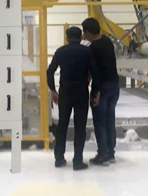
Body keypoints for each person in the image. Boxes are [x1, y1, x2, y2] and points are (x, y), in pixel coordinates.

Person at [47, 26, 96, 171]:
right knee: (80, 127)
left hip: (65, 92)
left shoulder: (61, 51)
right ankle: (77, 161)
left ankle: (59, 158)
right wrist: (95, 90)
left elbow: (50, 71)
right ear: (81, 37)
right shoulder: (87, 52)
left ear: (67, 38)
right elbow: (94, 72)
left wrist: (53, 90)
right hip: (81, 92)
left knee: (62, 125)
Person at [82, 17, 120, 166]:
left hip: (101, 88)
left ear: (88, 32)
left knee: (100, 121)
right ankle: (111, 153)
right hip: (114, 86)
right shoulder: (108, 42)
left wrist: (96, 92)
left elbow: (95, 72)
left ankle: (102, 154)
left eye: (84, 32)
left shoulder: (93, 49)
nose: (84, 35)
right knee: (110, 119)